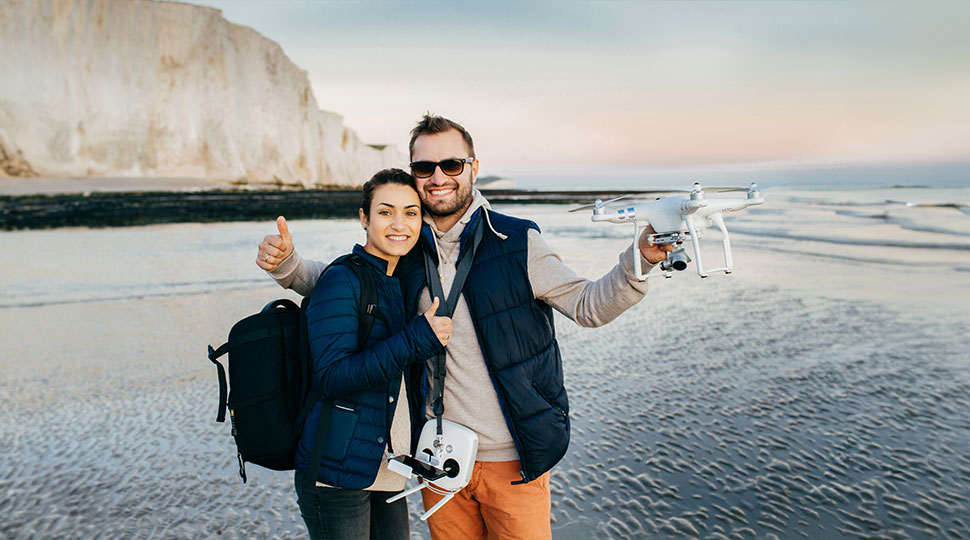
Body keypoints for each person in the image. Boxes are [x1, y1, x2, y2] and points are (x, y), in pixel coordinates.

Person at [258, 115, 673, 540]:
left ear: (473, 167)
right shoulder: (405, 247)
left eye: (452, 165)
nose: (438, 177)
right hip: (435, 460)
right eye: (424, 168)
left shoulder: (517, 242)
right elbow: (346, 282)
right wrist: (288, 265)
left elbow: (589, 305)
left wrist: (639, 260)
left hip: (511, 460)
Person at [292, 168, 451, 540]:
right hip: (336, 473)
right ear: (364, 218)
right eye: (385, 212)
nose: (400, 224)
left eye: (411, 213)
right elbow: (333, 376)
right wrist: (417, 339)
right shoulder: (342, 279)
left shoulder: (399, 280)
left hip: (390, 465)